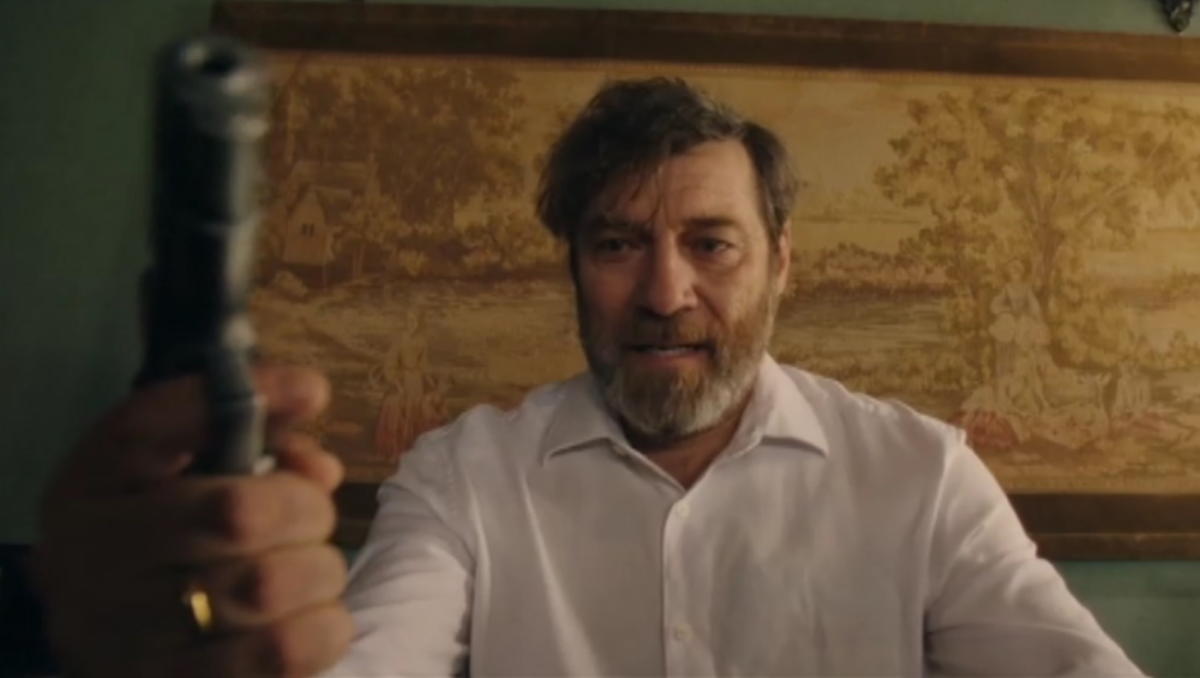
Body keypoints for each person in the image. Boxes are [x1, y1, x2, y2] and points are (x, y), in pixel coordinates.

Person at [35, 78, 1143, 677]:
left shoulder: (922, 476)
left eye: (710, 244)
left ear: (781, 264)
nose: (663, 292)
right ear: (573, 267)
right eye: (618, 244)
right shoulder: (463, 479)